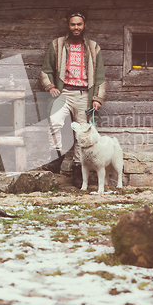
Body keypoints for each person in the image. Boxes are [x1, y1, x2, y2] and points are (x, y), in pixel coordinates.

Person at [40, 10, 106, 187]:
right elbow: (46, 70)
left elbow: (100, 77)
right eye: (73, 24)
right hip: (64, 93)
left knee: (82, 133)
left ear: (84, 25)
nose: (76, 27)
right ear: (68, 26)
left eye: (79, 24)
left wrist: (97, 98)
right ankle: (56, 159)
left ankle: (78, 170)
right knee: (54, 122)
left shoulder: (93, 47)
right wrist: (51, 87)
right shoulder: (57, 45)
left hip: (85, 94)